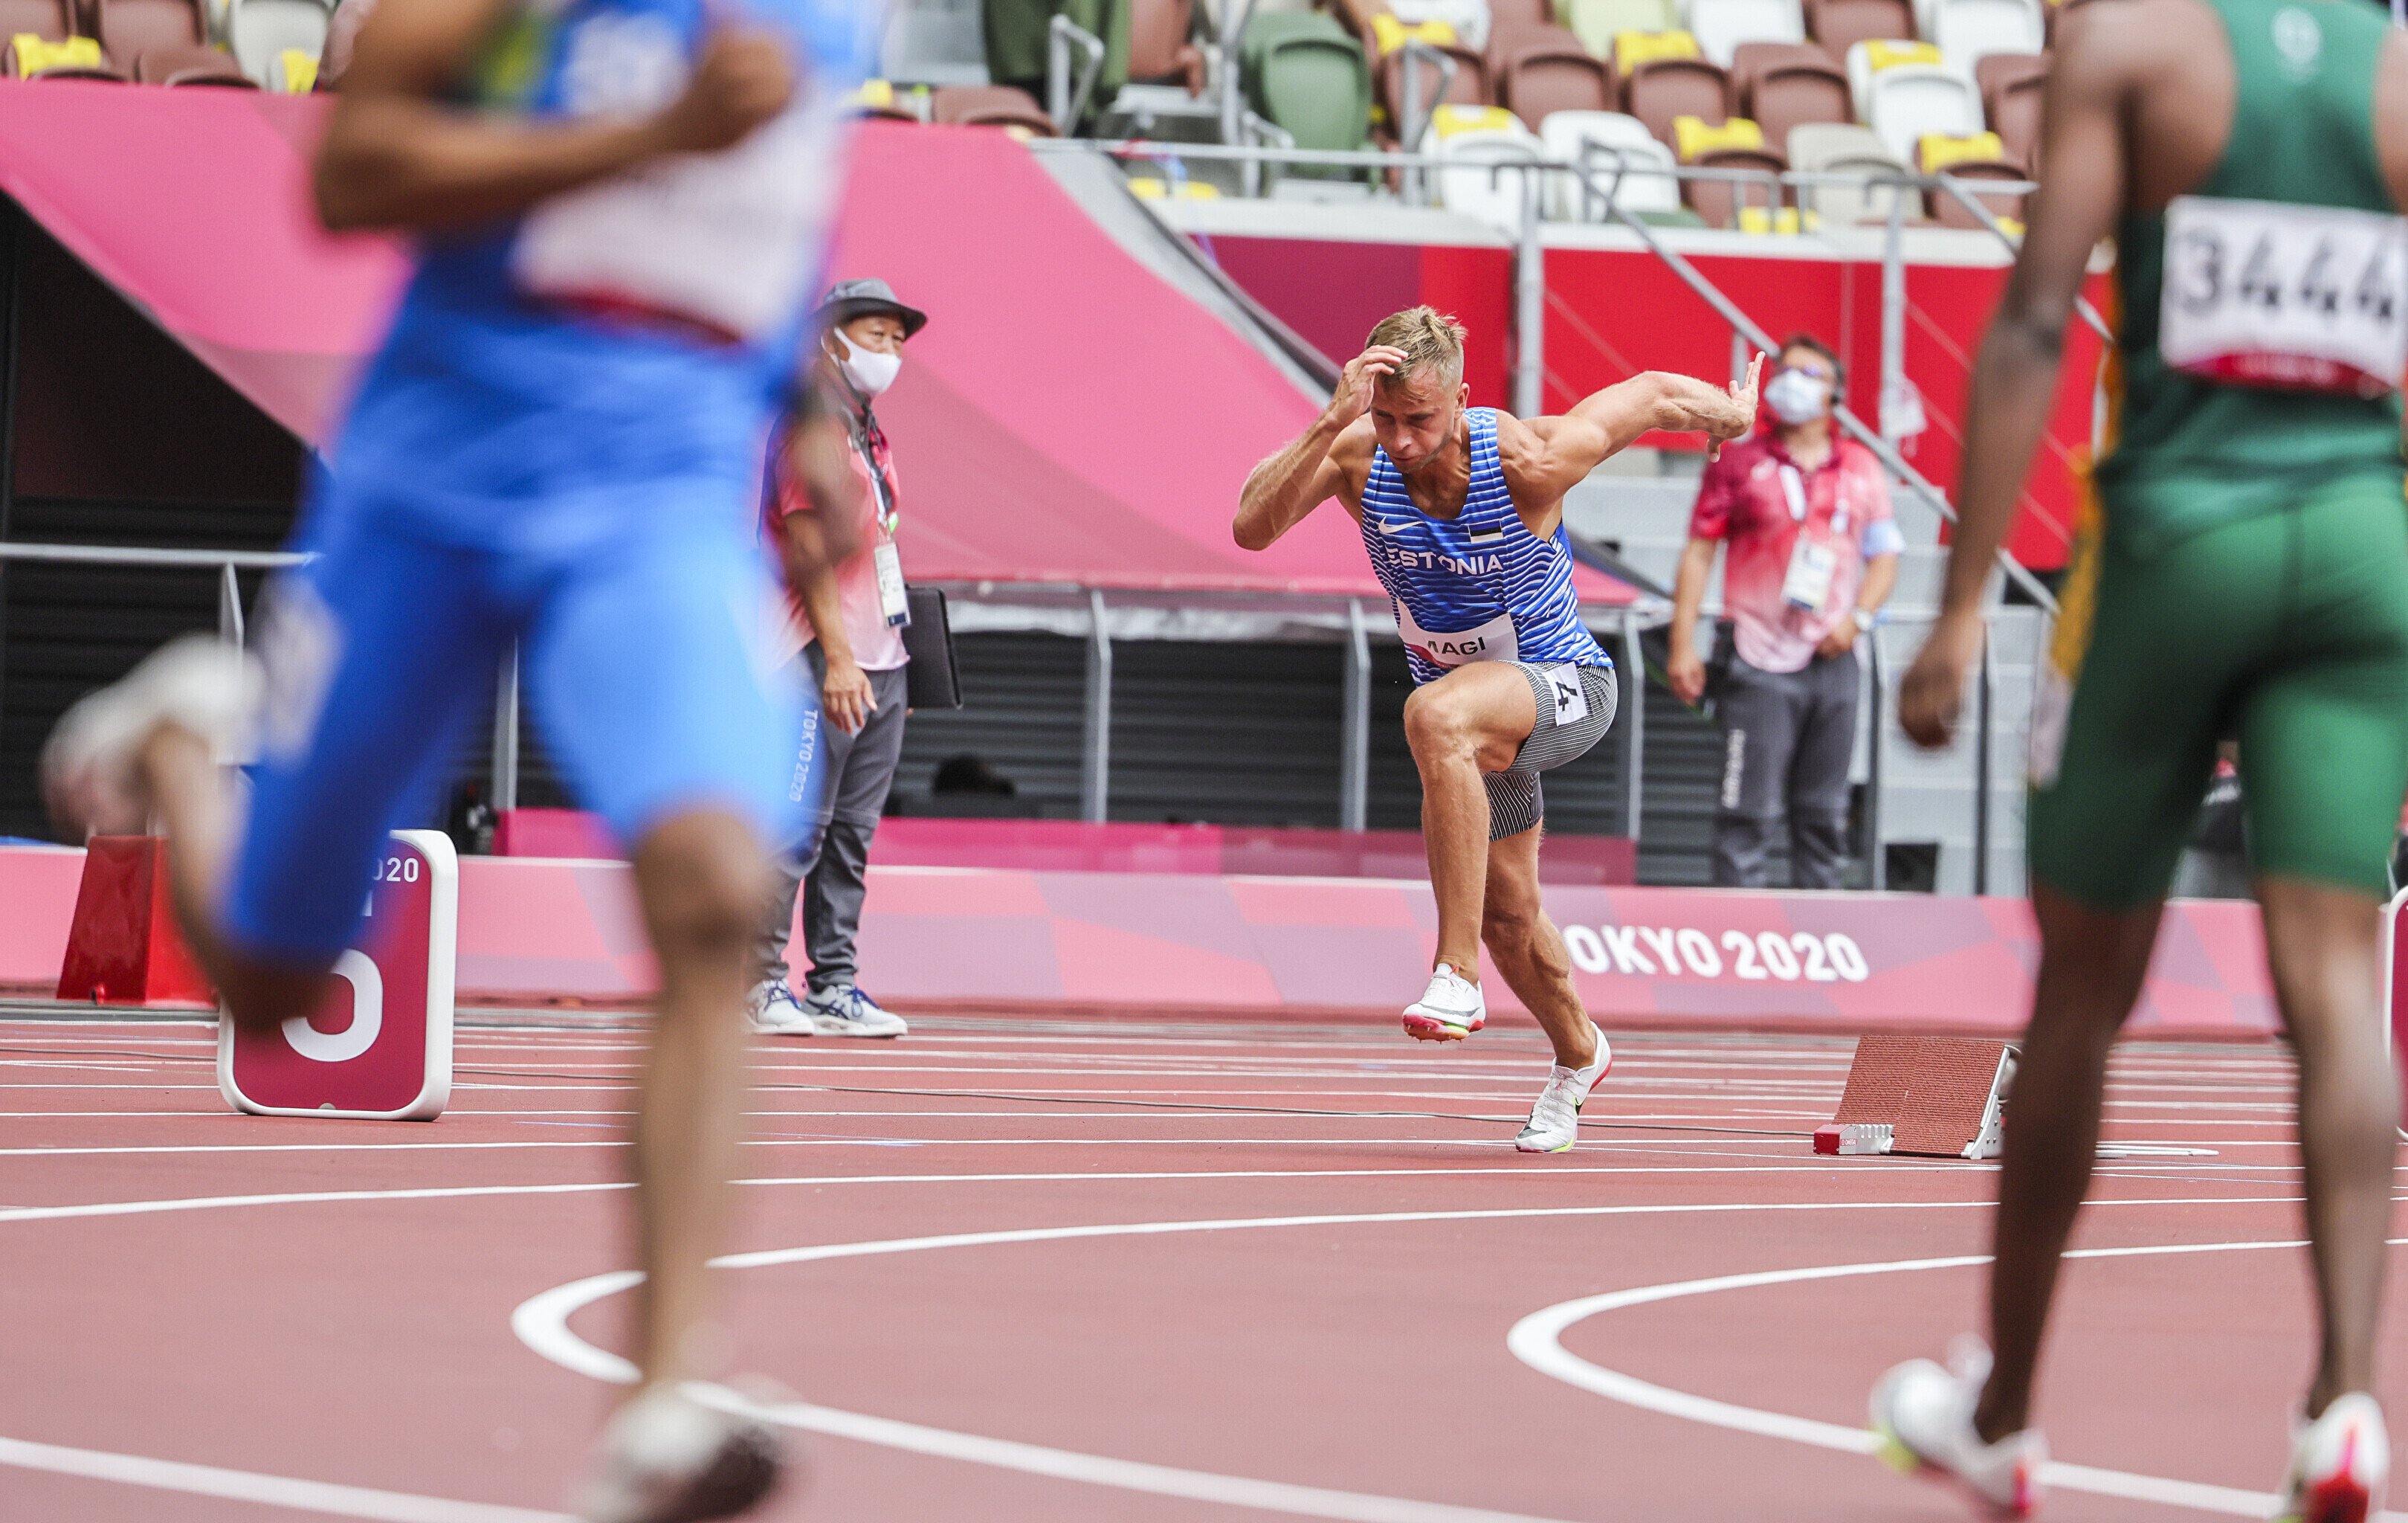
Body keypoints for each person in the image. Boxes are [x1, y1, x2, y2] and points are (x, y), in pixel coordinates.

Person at [39, 0, 875, 1515]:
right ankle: (177, 741)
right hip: (437, 473)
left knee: (712, 886)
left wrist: (804, 403)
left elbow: (752, 225)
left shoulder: (828, 22)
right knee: (273, 983)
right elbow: (350, 177)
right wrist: (648, 132)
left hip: (660, 491)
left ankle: (661, 1401)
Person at [1870, 0, 2408, 1516]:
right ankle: (2342, 1403)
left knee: (2079, 996)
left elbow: (2033, 319)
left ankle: (2002, 1414)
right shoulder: (2395, 77)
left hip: (2175, 542)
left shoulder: (2132, 47)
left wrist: (1956, 608)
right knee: (2333, 978)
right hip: (2360, 552)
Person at [1233, 306, 1758, 1152]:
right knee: (1509, 916)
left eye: (1420, 420)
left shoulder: (1525, 459)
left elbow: (1651, 393)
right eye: (1385, 418)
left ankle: (1454, 974)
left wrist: (1727, 414)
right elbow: (1250, 528)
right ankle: (1579, 1054)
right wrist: (1331, 420)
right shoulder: (1357, 454)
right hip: (1477, 736)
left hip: (1566, 689)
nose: (1402, 440)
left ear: (1461, 401)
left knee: (1432, 712)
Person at [748, 278, 926, 1041]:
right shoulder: (810, 423)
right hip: (819, 655)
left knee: (850, 835)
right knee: (796, 827)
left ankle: (832, 983)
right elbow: (808, 543)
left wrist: (889, 656)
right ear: (830, 339)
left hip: (881, 657)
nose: (889, 352)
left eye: (896, 340)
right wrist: (840, 660)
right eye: (874, 335)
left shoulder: (866, 429)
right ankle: (757, 981)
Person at [1668, 334, 1902, 889]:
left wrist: (1858, 620)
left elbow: (1886, 556)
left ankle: (1820, 928)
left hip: (1834, 658)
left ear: (1835, 393)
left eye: (1808, 374)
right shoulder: (1739, 460)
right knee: (1745, 815)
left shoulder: (1861, 466)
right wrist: (1681, 645)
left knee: (1824, 814)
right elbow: (1699, 553)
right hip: (1757, 658)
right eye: (1785, 371)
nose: (1792, 382)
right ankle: (1738, 926)